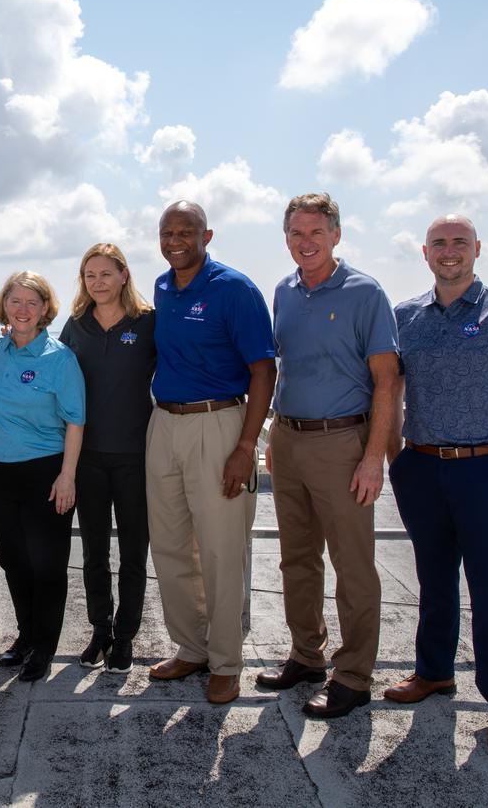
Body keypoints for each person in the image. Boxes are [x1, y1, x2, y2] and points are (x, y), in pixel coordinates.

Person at [386, 213, 488, 755]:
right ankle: (433, 671)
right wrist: (397, 461)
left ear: (477, 249)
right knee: (433, 581)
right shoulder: (405, 316)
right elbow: (388, 391)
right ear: (425, 252)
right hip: (422, 466)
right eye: (439, 243)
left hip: (486, 470)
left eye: (459, 242)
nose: (449, 251)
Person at [255, 193, 399, 718]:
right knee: (296, 558)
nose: (305, 242)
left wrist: (372, 458)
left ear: (336, 234)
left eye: (316, 232)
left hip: (344, 444)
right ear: (286, 237)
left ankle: (355, 676)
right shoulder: (283, 292)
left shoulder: (365, 292)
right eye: (296, 233)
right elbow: (284, 368)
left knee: (353, 565)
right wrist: (275, 438)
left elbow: (387, 382)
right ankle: (306, 656)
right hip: (289, 440)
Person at [146, 200, 276, 705]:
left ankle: (226, 661)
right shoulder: (162, 286)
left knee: (221, 549)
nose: (176, 239)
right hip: (165, 423)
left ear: (207, 235)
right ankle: (191, 647)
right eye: (167, 231)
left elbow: (264, 371)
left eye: (186, 231)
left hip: (220, 422)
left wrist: (247, 444)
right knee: (171, 544)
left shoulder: (235, 289)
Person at [0, 271, 85, 682]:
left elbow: (76, 421)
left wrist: (67, 477)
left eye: (31, 303)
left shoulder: (60, 358)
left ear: (45, 310)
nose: (22, 310)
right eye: (14, 301)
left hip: (46, 471)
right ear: (4, 305)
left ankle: (44, 646)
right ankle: (25, 636)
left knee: (47, 564)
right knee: (12, 559)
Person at [59, 243, 156, 673]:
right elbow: (54, 378)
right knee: (94, 551)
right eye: (89, 275)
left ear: (123, 275)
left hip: (137, 456)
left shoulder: (148, 322)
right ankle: (100, 631)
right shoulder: (76, 326)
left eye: (104, 274)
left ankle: (126, 637)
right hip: (89, 458)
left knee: (134, 552)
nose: (97, 282)